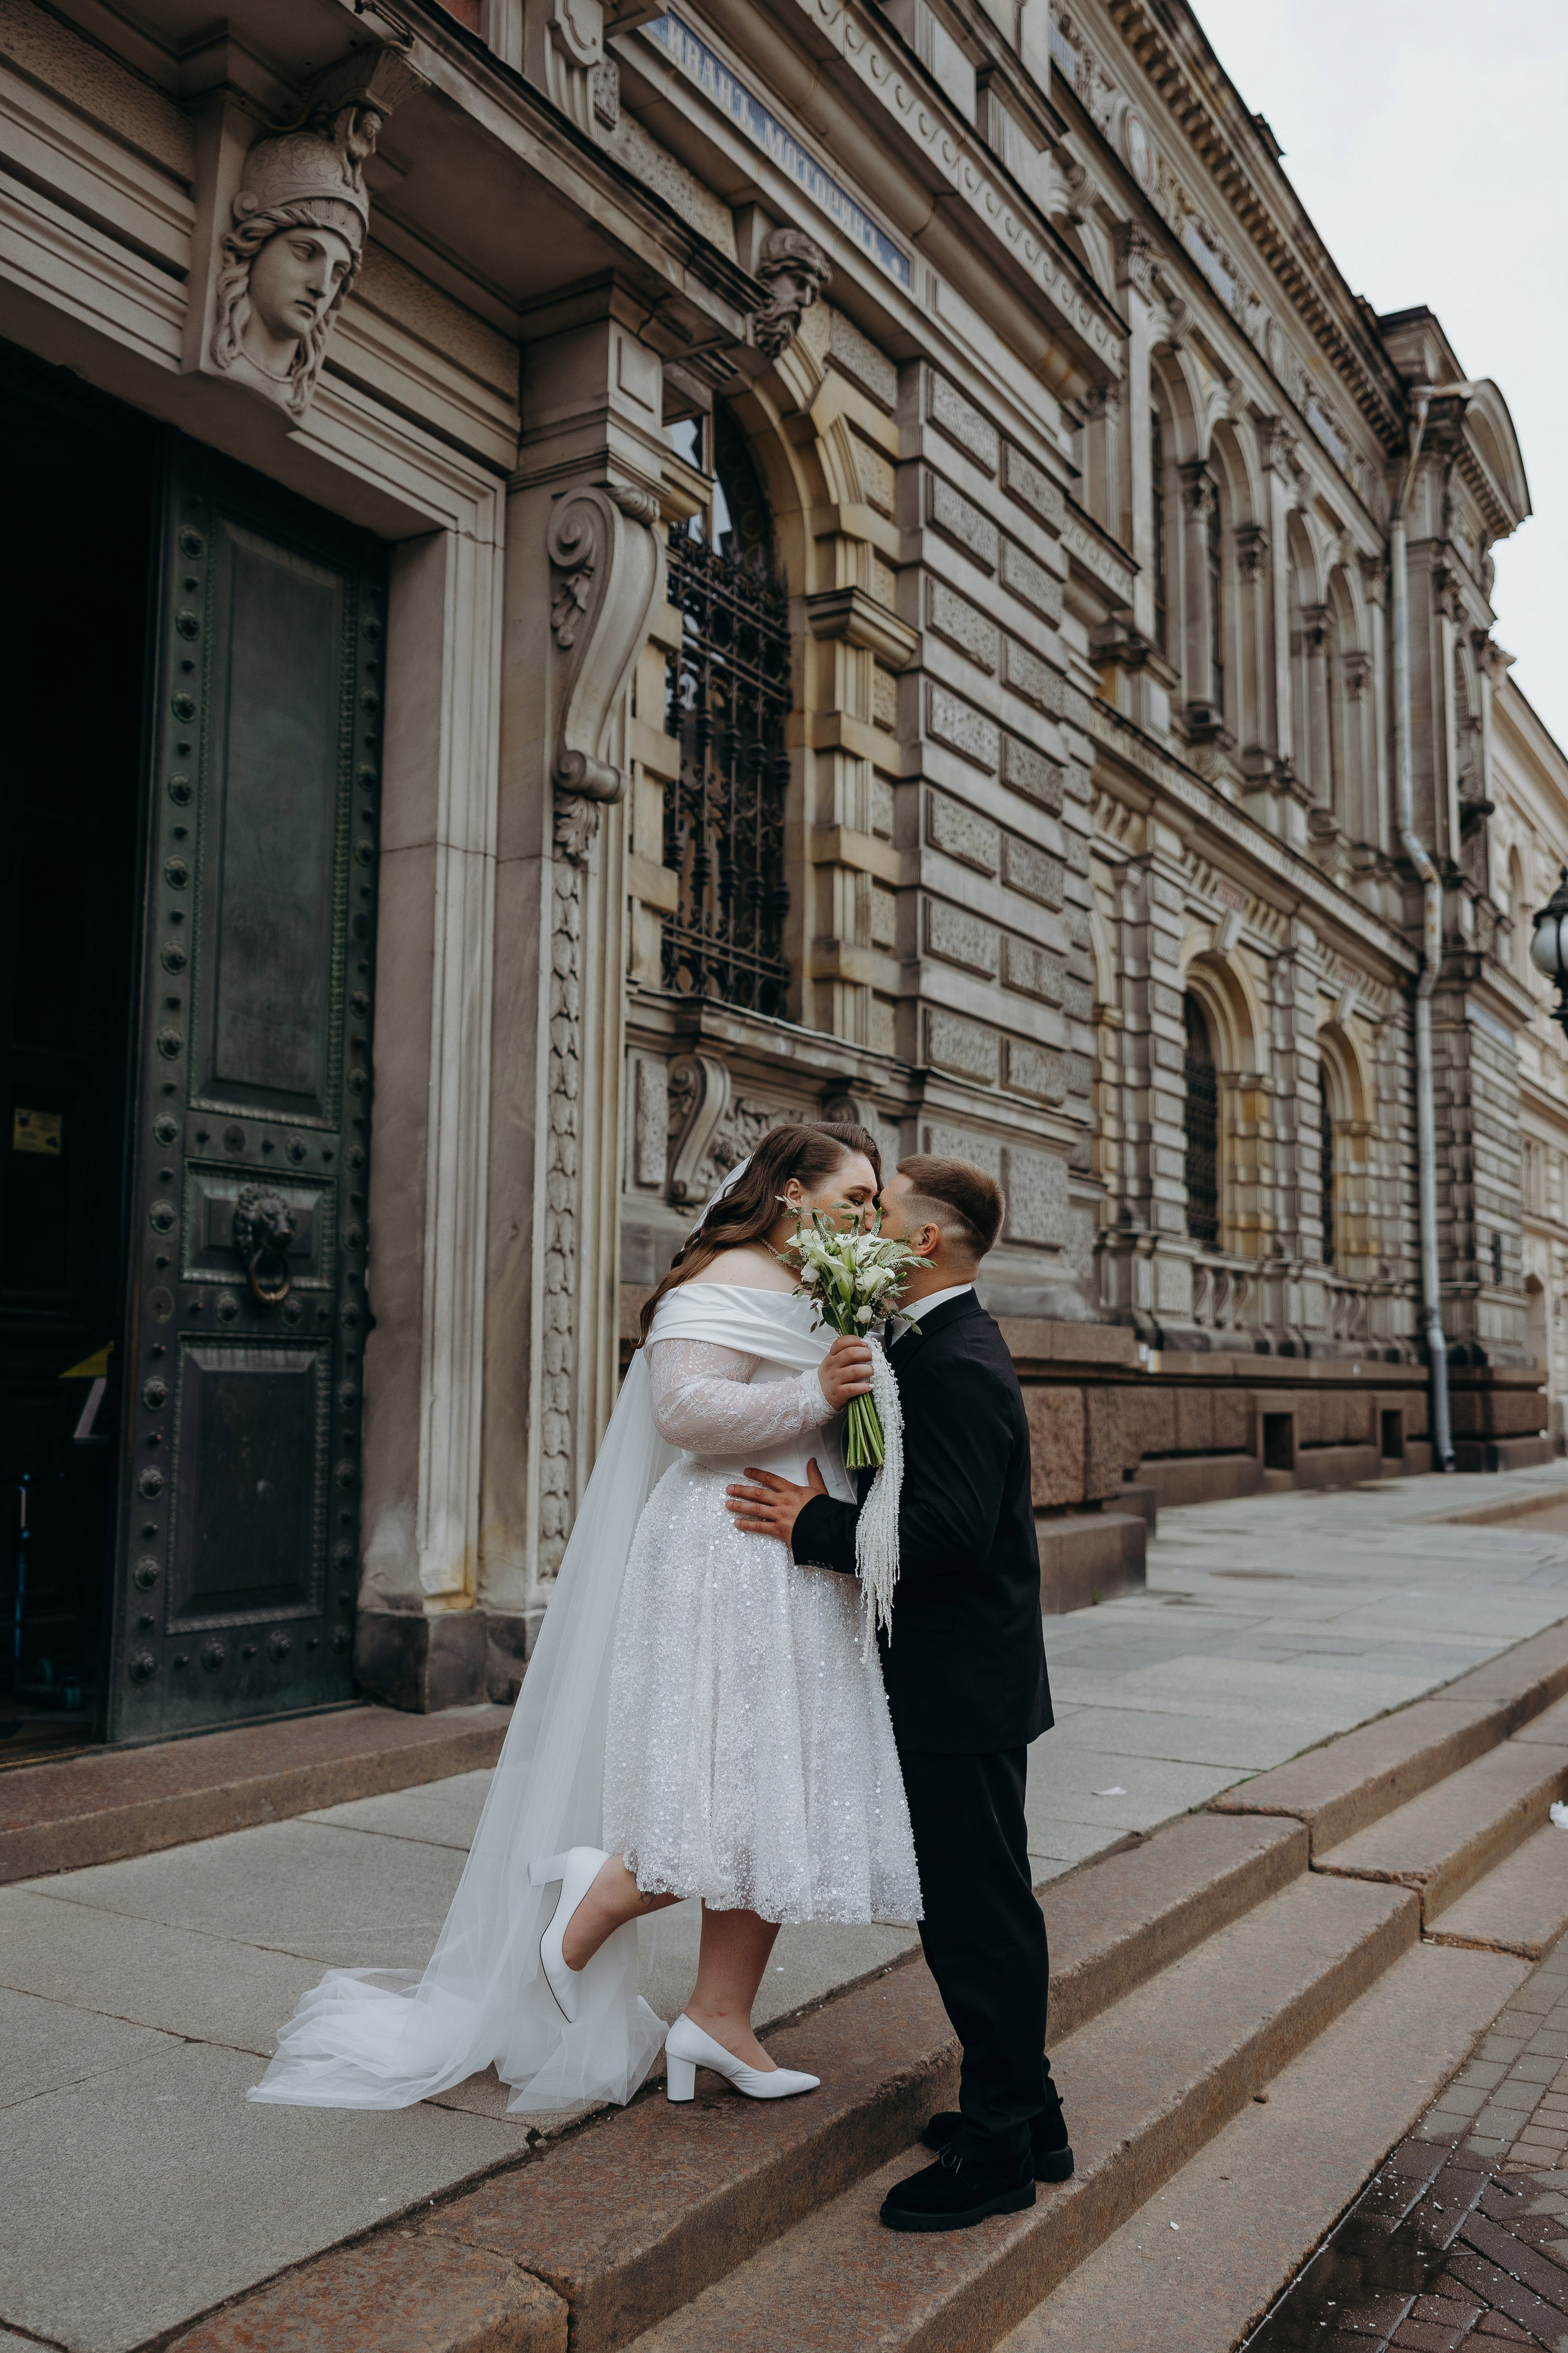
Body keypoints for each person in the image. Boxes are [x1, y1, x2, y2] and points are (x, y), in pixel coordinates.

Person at [249, 1122, 919, 2117]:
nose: (871, 1218)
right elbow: (684, 1411)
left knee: (781, 1783)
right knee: (729, 1772)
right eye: (855, 1198)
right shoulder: (716, 1281)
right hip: (726, 1551)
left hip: (798, 1554)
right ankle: (596, 1891)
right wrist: (816, 1389)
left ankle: (719, 2018)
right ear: (789, 1193)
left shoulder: (830, 1289)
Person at [726, 1154, 1070, 2230]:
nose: (869, 1225)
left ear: (925, 1244)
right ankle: (1035, 2113)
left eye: (888, 1214)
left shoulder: (955, 1356)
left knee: (976, 1917)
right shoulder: (919, 1339)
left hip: (961, 1678)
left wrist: (810, 1525)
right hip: (960, 1672)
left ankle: (1003, 2147)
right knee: (982, 1903)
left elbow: (949, 1534)